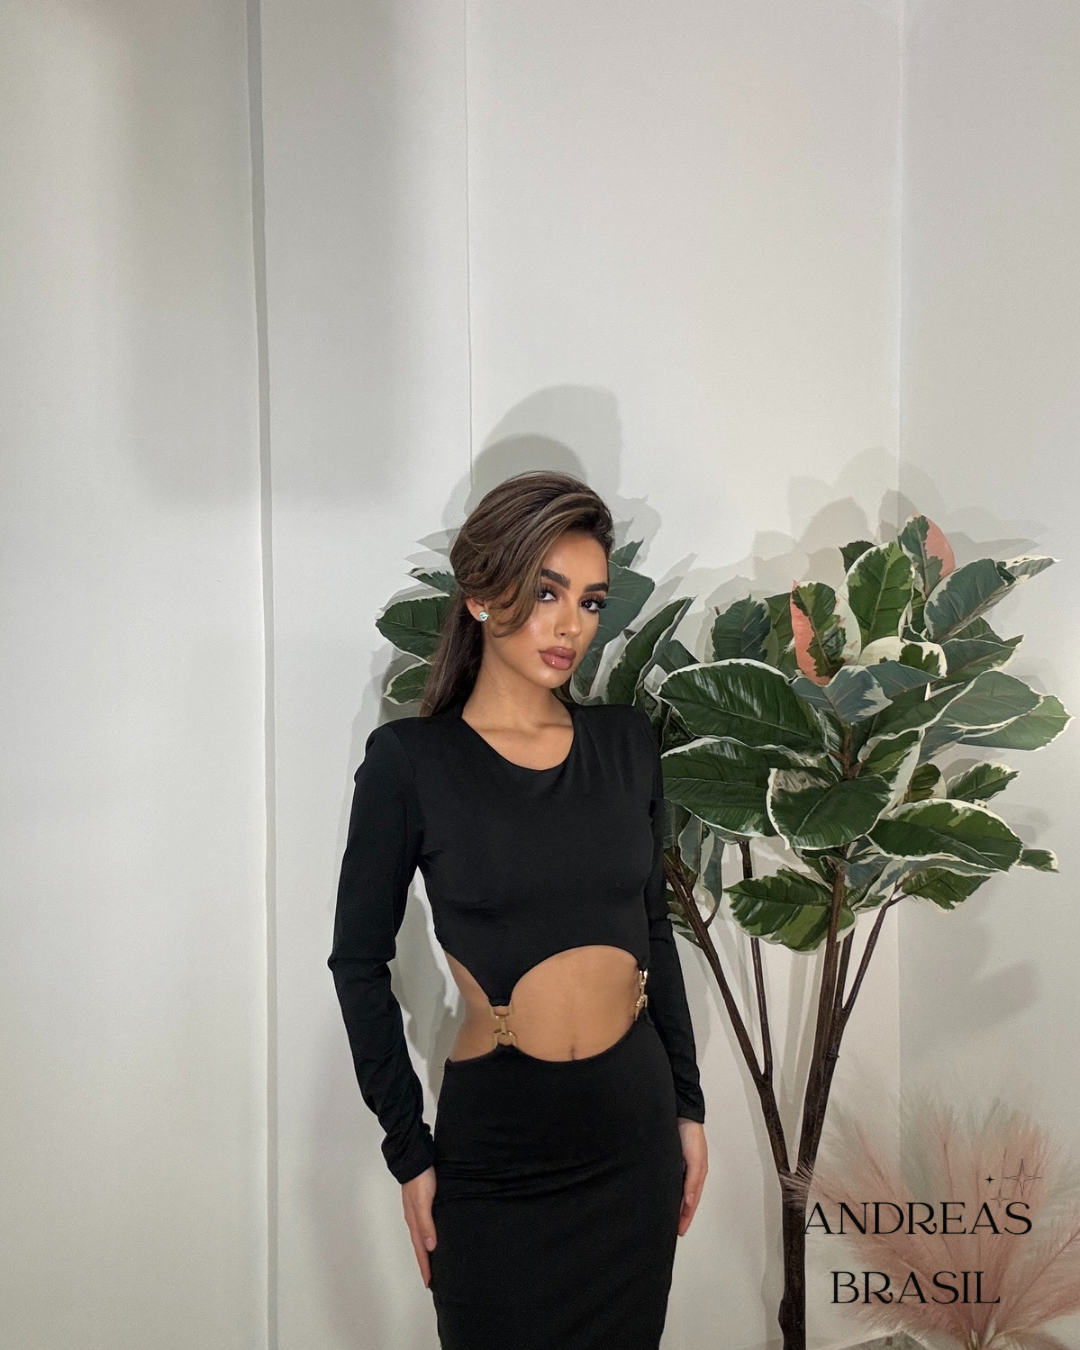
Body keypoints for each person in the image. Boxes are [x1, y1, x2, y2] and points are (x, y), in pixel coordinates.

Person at [328, 469, 708, 1349]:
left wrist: (688, 1108)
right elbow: (358, 962)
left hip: (633, 1140)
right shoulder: (411, 764)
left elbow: (654, 930)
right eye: (546, 592)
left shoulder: (627, 745)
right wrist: (408, 1151)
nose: (571, 624)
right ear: (479, 593)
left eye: (590, 600)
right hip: (499, 1155)